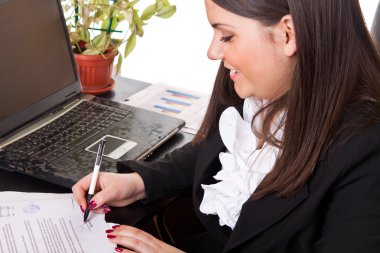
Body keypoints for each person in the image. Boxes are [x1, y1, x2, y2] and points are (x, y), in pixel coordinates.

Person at [72, 0, 380, 252]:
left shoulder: (368, 147)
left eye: (227, 36)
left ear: (289, 34)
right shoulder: (258, 89)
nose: (213, 52)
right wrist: (140, 182)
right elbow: (215, 149)